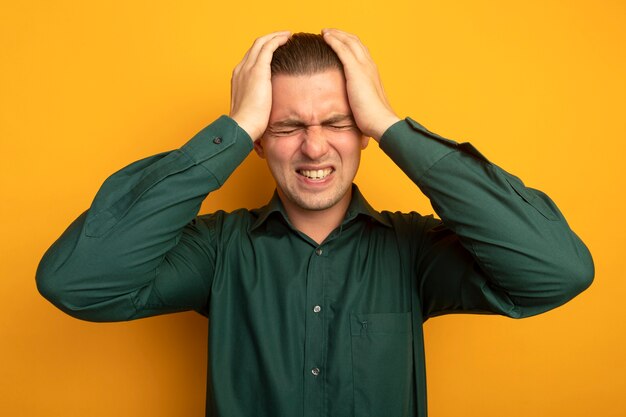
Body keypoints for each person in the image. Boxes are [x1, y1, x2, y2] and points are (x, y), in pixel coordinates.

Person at [36, 29, 594, 417]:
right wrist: (234, 127)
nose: (315, 146)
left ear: (362, 135)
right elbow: (75, 282)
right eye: (286, 127)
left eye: (337, 121)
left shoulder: (413, 251)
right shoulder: (219, 251)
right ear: (258, 142)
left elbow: (557, 270)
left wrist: (390, 125)